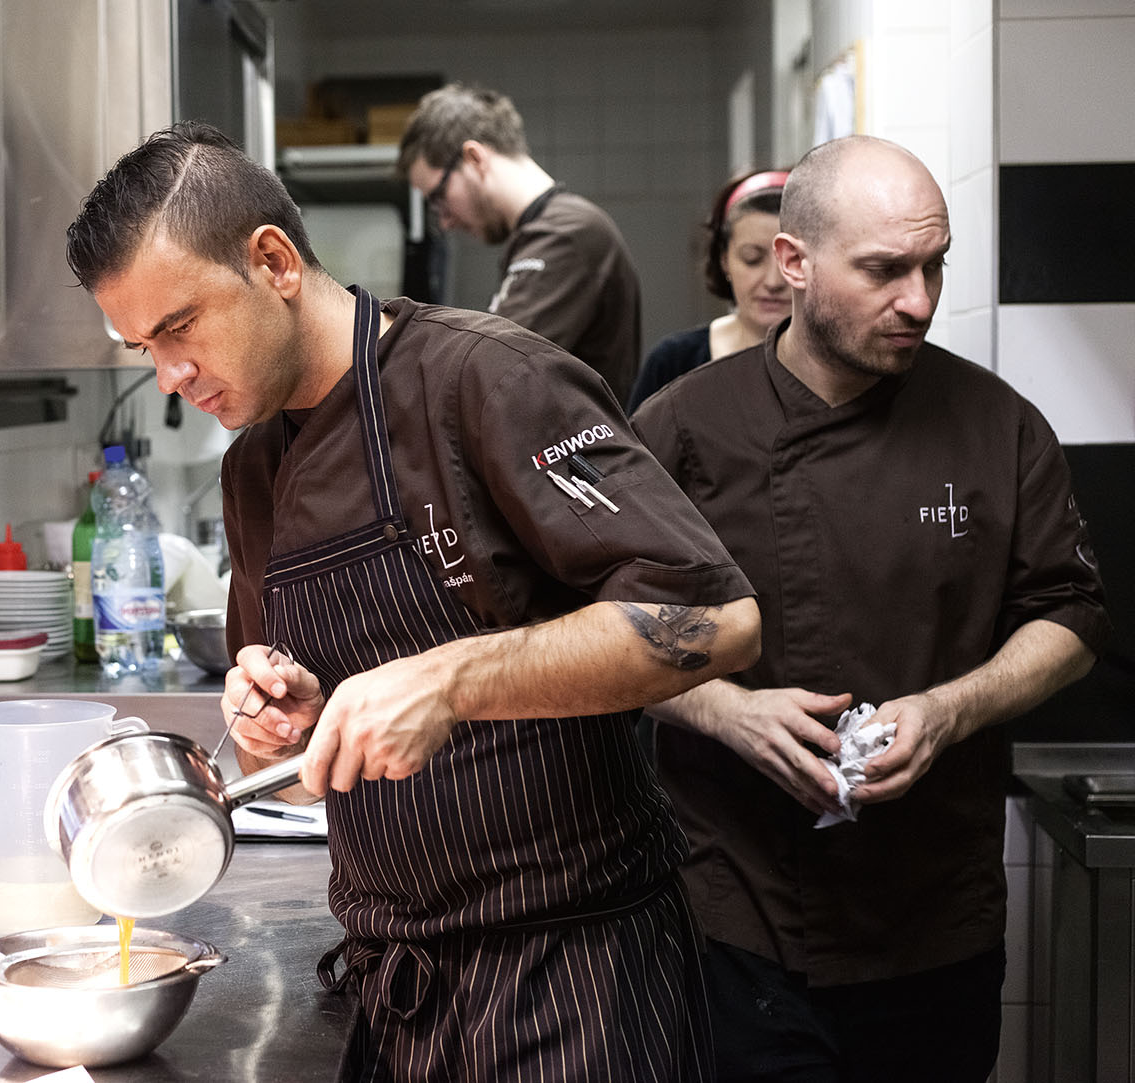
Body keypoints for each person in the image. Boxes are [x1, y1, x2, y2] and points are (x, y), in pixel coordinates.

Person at [67, 121, 763, 1082]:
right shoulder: (254, 472)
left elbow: (718, 619)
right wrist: (286, 735)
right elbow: (320, 764)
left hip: (578, 982)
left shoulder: (487, 381)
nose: (170, 378)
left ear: (272, 259)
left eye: (179, 327)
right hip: (398, 993)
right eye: (145, 346)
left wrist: (452, 679)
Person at [630, 135, 1112, 1083]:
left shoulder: (996, 424)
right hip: (738, 908)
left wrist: (948, 709)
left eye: (935, 266)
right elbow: (596, 631)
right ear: (795, 264)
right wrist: (730, 711)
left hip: (933, 911)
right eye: (887, 270)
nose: (921, 301)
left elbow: (1073, 614)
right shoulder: (683, 426)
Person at [397, 83, 643, 406]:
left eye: (439, 197)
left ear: (474, 158)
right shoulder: (546, 232)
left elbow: (487, 367)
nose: (444, 221)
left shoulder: (565, 234)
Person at [626, 169, 791, 414]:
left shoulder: (837, 366)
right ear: (724, 260)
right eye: (752, 259)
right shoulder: (675, 361)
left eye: (790, 259)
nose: (773, 281)